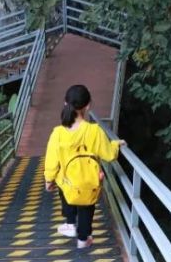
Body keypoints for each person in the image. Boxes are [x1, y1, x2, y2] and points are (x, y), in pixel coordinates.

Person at [43, 84, 126, 248]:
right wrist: (116, 144)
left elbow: (51, 161)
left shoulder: (58, 133)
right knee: (87, 208)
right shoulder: (94, 131)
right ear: (88, 106)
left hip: (67, 181)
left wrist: (48, 180)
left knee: (66, 192)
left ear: (65, 103)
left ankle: (70, 223)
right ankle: (83, 239)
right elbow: (109, 155)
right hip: (88, 182)